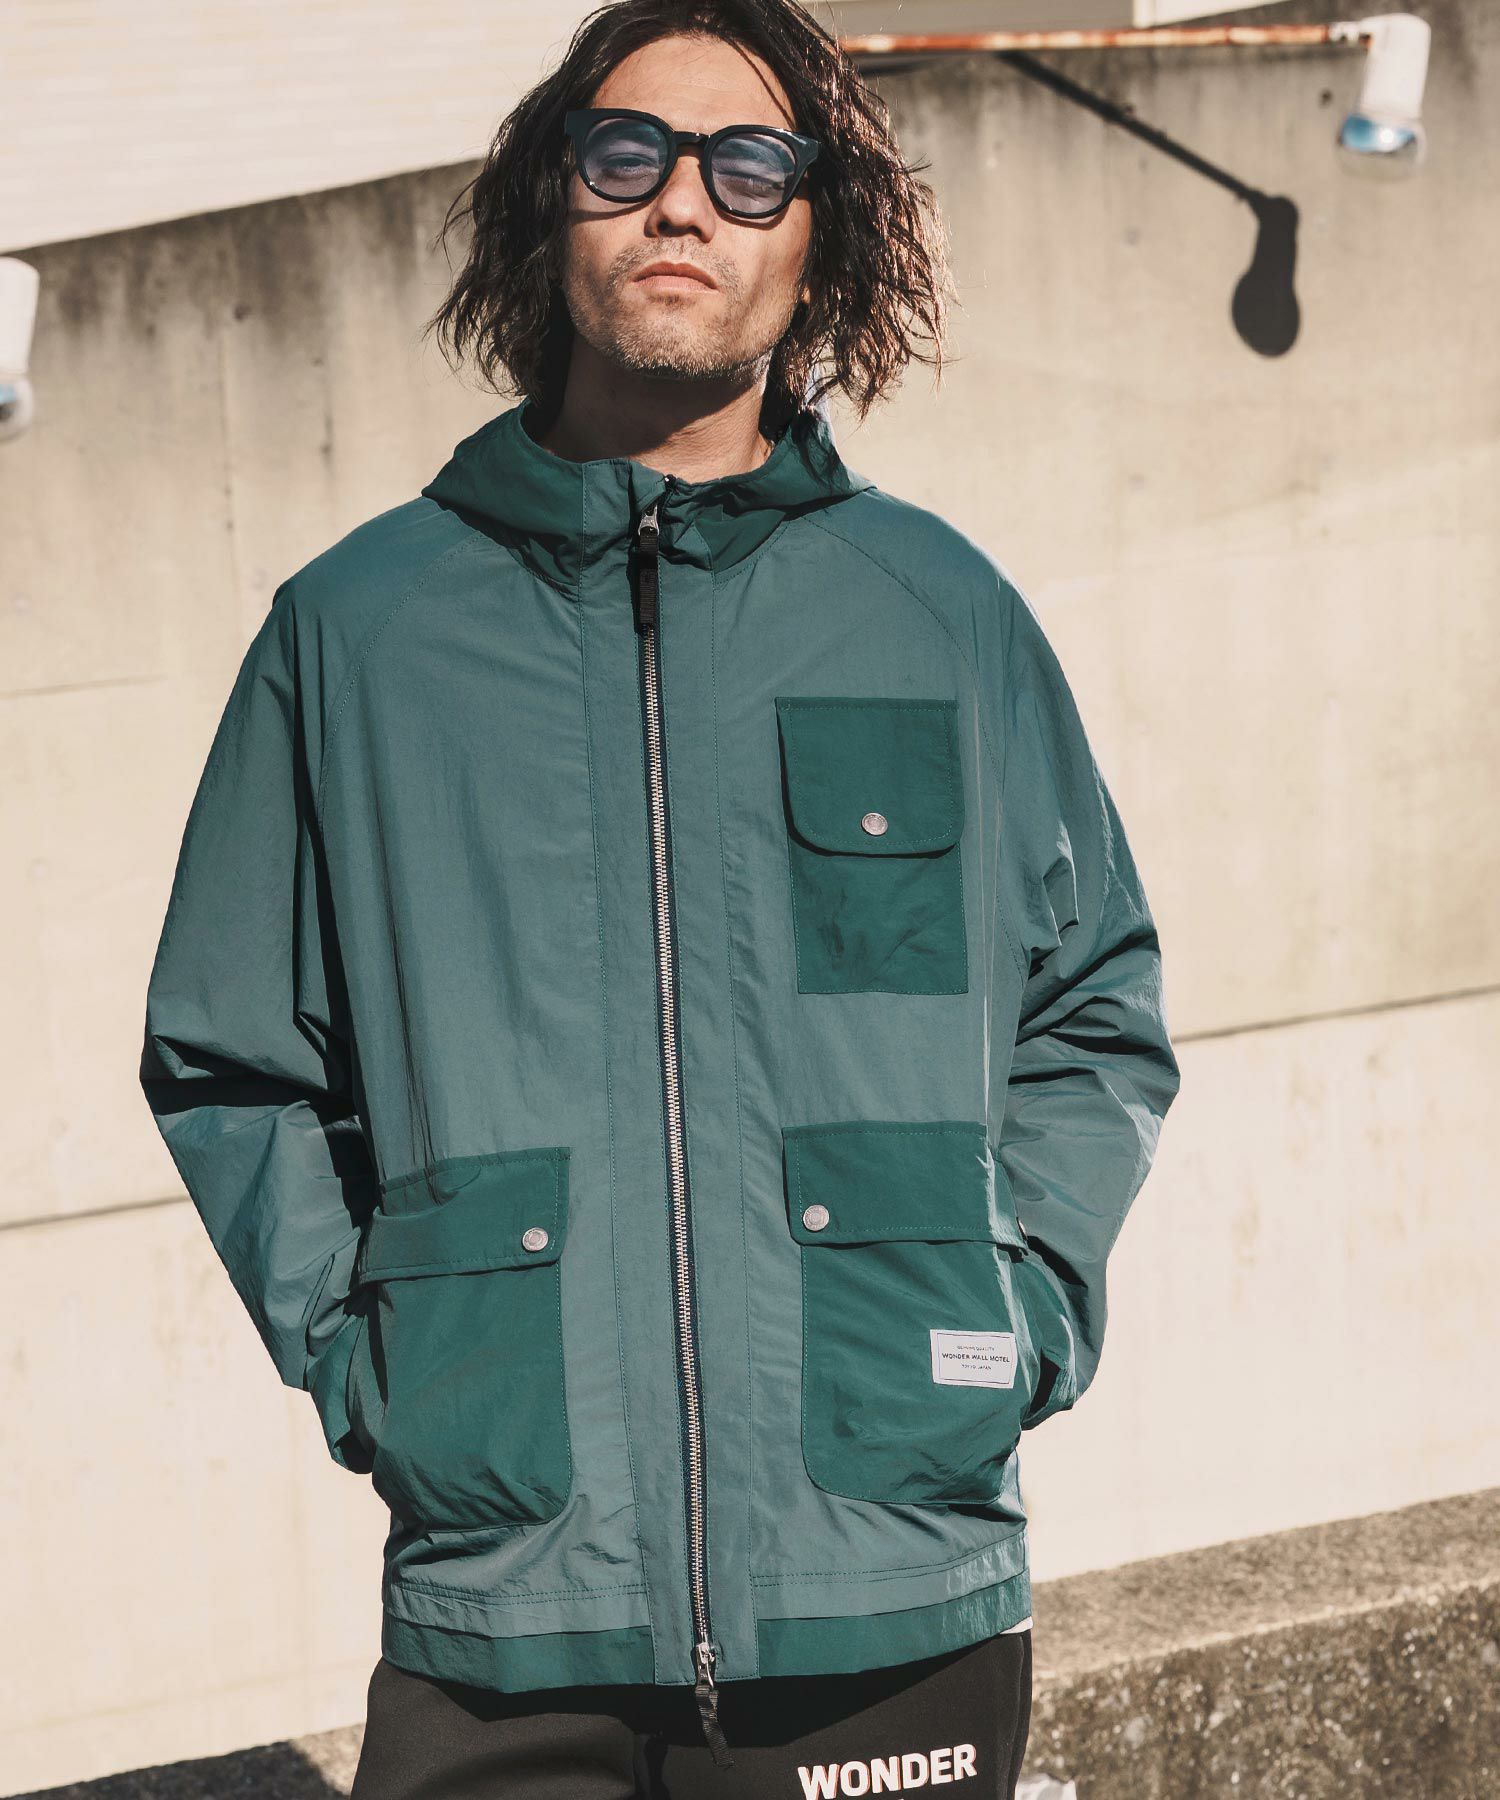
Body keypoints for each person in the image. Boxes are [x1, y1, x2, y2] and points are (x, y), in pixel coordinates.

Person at [137, 0, 1182, 1792]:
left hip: (891, 1582)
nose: (682, 202)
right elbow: (233, 1059)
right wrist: (385, 1370)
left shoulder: (942, 617)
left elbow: (1092, 1009)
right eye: (627, 153)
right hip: (505, 1601)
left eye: (750, 166)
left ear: (817, 242)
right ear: (551, 206)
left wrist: (1022, 1317)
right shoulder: (357, 635)